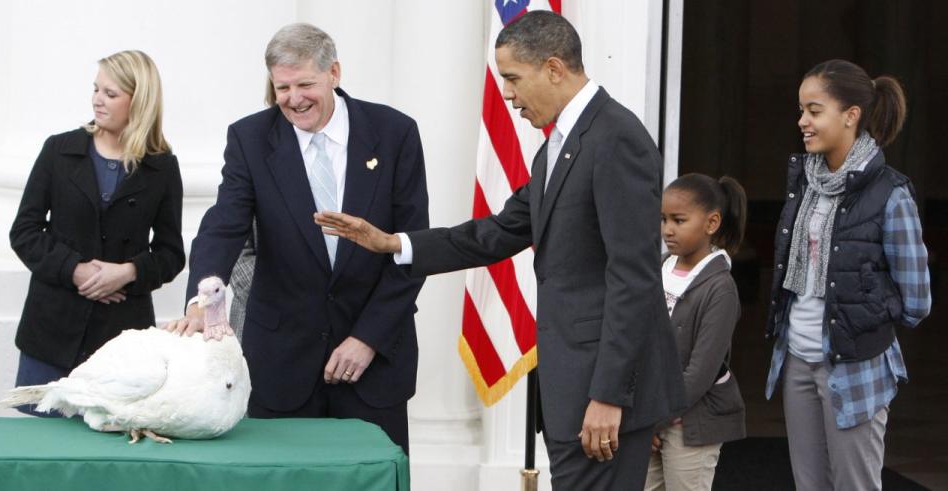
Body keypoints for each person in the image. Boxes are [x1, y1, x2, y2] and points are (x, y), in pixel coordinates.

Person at [314, 11, 684, 489]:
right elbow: (496, 233)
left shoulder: (615, 138)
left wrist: (610, 396)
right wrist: (393, 243)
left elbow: (633, 277)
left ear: (554, 69)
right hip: (570, 386)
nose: (507, 95)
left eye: (512, 78)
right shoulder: (559, 145)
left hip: (602, 392)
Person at [164, 23, 428, 454]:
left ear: (334, 73)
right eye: (282, 87)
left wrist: (368, 339)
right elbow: (223, 224)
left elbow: (411, 246)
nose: (293, 98)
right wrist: (202, 300)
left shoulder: (394, 133)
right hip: (281, 366)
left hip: (373, 364)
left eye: (305, 83)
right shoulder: (249, 138)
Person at [765, 59, 931, 490]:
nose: (802, 121)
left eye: (814, 111)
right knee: (809, 484)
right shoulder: (803, 182)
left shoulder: (891, 194)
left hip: (855, 368)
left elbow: (917, 300)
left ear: (850, 115)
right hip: (797, 360)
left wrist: (860, 310)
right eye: (801, 110)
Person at [9, 50, 185, 415]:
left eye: (110, 93)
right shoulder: (59, 150)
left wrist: (128, 272)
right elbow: (24, 231)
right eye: (96, 89)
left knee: (109, 454)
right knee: (36, 451)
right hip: (50, 332)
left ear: (138, 101)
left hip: (120, 343)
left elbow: (171, 253)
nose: (97, 100)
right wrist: (76, 269)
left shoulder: (162, 166)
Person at [645, 174, 747, 491]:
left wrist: (655, 419)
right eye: (663, 220)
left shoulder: (720, 288)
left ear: (711, 222)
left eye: (679, 220)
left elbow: (701, 372)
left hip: (692, 423)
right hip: (649, 417)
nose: (667, 230)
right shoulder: (657, 268)